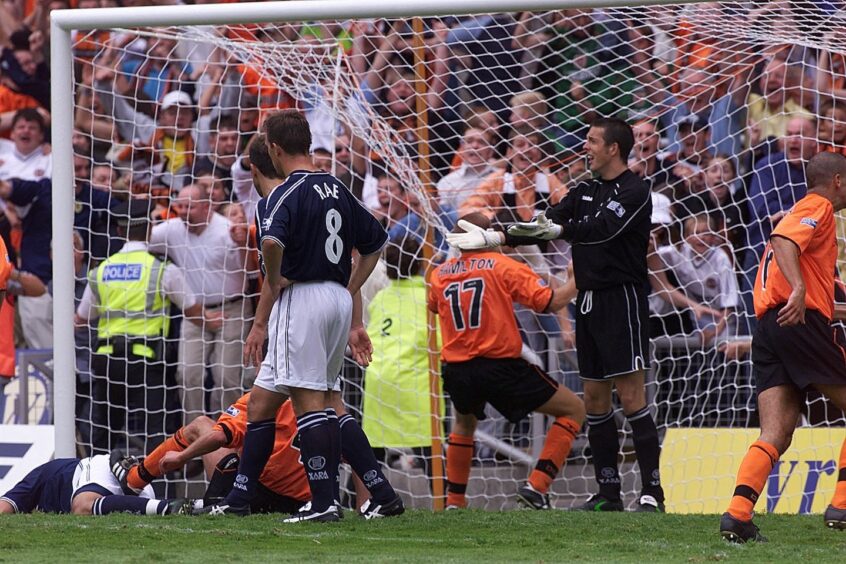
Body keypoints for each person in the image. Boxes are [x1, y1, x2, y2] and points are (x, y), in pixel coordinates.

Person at [447, 117, 665, 512]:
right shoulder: (582, 189)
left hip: (622, 301)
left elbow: (599, 230)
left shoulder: (636, 191)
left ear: (613, 148)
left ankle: (652, 492)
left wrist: (556, 231)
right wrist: (496, 236)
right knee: (595, 399)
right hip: (587, 302)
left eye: (592, 140)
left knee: (631, 396)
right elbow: (543, 224)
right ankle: (608, 493)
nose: (586, 146)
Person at [200, 110, 396, 523]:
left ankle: (324, 501)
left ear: (273, 148)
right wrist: (351, 286)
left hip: (302, 299)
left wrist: (275, 278)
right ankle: (241, 500)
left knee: (312, 402)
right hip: (335, 299)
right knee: (264, 402)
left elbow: (271, 242)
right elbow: (376, 242)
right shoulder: (338, 187)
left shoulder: (282, 195)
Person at [720, 151, 846, 542]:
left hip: (769, 329)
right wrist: (800, 289)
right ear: (838, 181)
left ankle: (737, 514)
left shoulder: (808, 214)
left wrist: (807, 289)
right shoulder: (818, 206)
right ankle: (842, 505)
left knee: (776, 431)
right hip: (799, 323)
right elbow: (783, 238)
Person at [430, 213, 584, 510]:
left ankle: (454, 501)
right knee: (573, 409)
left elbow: (434, 306)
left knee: (463, 424)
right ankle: (536, 487)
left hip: (458, 367)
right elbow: (550, 302)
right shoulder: (503, 266)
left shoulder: (440, 275)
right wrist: (576, 281)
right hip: (500, 363)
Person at [75, 199, 223, 454]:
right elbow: (192, 311)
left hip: (107, 362)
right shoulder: (162, 269)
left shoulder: (100, 271)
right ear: (150, 231)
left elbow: (82, 318)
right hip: (147, 362)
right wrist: (216, 320)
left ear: (120, 232)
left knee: (103, 433)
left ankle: (95, 486)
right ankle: (161, 490)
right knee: (156, 434)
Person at [149, 183, 252, 421]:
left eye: (190, 206)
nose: (183, 211)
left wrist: (243, 244)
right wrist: (147, 212)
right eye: (180, 206)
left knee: (225, 377)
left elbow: (250, 272)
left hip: (233, 308)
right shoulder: (172, 229)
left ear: (207, 207)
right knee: (187, 374)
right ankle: (195, 438)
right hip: (195, 312)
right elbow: (141, 240)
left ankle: (229, 435)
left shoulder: (228, 230)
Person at [115, 394, 310, 515]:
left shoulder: (263, 400)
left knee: (201, 425)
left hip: (247, 495)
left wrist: (182, 457)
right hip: (303, 503)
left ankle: (134, 479)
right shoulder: (321, 403)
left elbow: (219, 437)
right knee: (244, 441)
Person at [0, 454, 191, 516]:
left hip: (98, 470)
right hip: (125, 494)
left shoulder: (37, 476)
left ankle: (168, 506)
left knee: (82, 506)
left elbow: (4, 507)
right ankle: (194, 506)